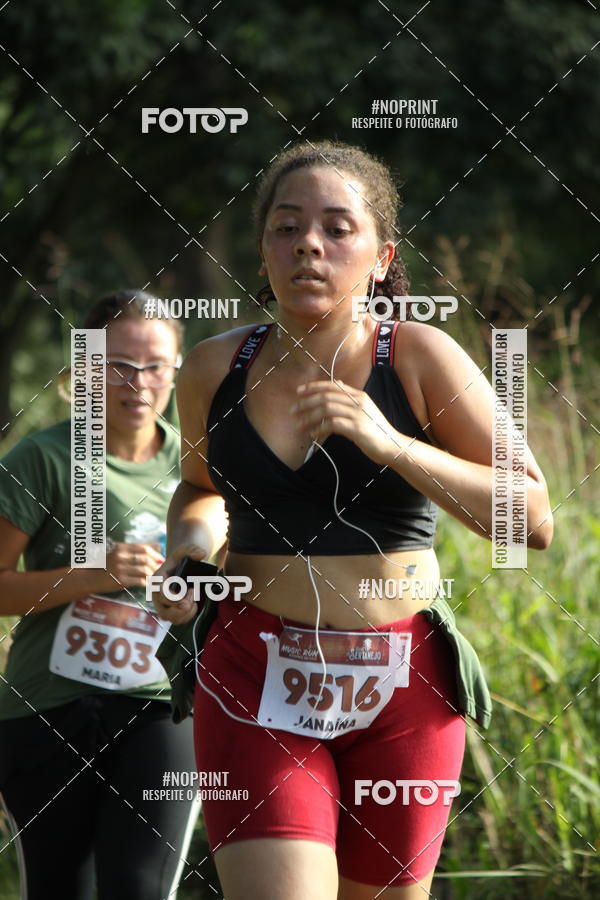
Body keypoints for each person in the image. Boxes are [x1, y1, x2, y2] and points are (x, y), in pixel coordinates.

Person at [154, 141, 553, 899]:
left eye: (338, 227)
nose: (310, 242)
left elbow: (531, 519)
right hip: (253, 673)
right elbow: (199, 492)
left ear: (380, 256)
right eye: (287, 226)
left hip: (405, 686)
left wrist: (391, 442)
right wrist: (190, 557)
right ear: (264, 250)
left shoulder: (420, 356)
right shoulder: (213, 368)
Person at [0, 291, 209, 899]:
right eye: (118, 364)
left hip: (158, 708)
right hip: (46, 708)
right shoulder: (42, 458)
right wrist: (93, 575)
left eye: (155, 367)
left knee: (140, 889)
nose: (138, 383)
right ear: (87, 365)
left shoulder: (201, 465)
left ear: (176, 371)